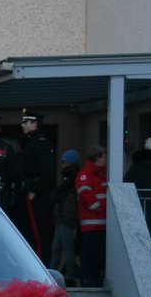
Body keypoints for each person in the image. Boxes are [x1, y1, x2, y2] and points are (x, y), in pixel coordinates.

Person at [19, 111, 55, 261]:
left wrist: (35, 189)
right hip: (30, 194)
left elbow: (48, 172)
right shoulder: (30, 142)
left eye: (26, 122)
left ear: (34, 124)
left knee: (38, 234)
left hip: (37, 197)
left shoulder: (39, 144)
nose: (22, 125)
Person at [75, 144, 109, 286]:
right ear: (98, 158)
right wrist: (99, 208)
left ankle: (94, 278)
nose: (106, 159)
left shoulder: (100, 174)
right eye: (104, 156)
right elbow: (85, 193)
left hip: (101, 222)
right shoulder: (86, 174)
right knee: (90, 253)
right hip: (92, 223)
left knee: (98, 254)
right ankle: (88, 279)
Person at [49, 149, 81, 283]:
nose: (62, 164)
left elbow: (58, 193)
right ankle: (55, 272)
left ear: (69, 163)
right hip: (64, 216)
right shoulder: (72, 177)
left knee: (64, 247)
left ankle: (67, 274)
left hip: (65, 217)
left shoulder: (70, 178)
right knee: (59, 247)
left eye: (64, 162)